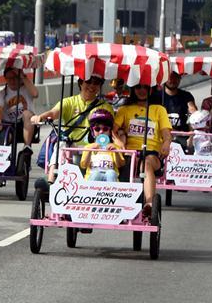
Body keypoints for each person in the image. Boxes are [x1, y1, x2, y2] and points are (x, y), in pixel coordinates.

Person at [31, 76, 113, 184]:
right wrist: (40, 117)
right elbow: (53, 113)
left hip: (94, 146)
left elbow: (112, 129)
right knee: (61, 146)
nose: (92, 86)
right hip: (70, 144)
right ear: (80, 83)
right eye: (88, 82)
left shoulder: (105, 107)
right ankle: (51, 182)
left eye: (96, 83)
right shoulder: (69, 102)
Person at [113, 83, 172, 216]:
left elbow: (166, 133)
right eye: (139, 87)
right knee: (133, 162)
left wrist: (167, 142)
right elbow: (112, 130)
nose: (142, 90)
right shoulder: (124, 109)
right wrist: (118, 140)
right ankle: (123, 201)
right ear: (133, 89)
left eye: (145, 87)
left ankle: (149, 203)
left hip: (152, 153)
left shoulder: (159, 109)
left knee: (146, 164)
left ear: (150, 90)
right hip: (130, 153)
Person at [0, 66, 38, 150]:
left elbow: (35, 94)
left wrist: (23, 76)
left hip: (26, 124)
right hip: (9, 126)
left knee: (27, 113)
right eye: (9, 78)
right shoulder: (1, 94)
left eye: (15, 77)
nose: (12, 81)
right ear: (5, 79)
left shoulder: (26, 89)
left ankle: (27, 147)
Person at [79, 109, 124, 182]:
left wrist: (116, 152)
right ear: (92, 131)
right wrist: (90, 151)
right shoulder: (88, 147)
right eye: (97, 129)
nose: (101, 131)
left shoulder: (115, 147)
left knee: (111, 173)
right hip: (92, 177)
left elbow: (119, 165)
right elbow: (84, 165)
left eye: (105, 129)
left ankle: (111, 192)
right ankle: (91, 192)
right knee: (96, 173)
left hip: (111, 177)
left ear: (110, 131)